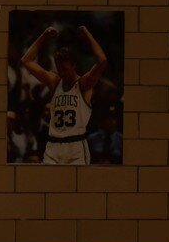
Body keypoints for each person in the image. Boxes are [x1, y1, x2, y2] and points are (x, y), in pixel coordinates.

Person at [19, 24, 106, 166]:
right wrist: (44, 36)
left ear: (74, 66)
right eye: (59, 68)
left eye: (65, 69)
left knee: (76, 187)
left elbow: (102, 61)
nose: (61, 72)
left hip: (76, 145)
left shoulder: (84, 84)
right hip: (53, 145)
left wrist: (88, 36)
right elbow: (26, 60)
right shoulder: (54, 82)